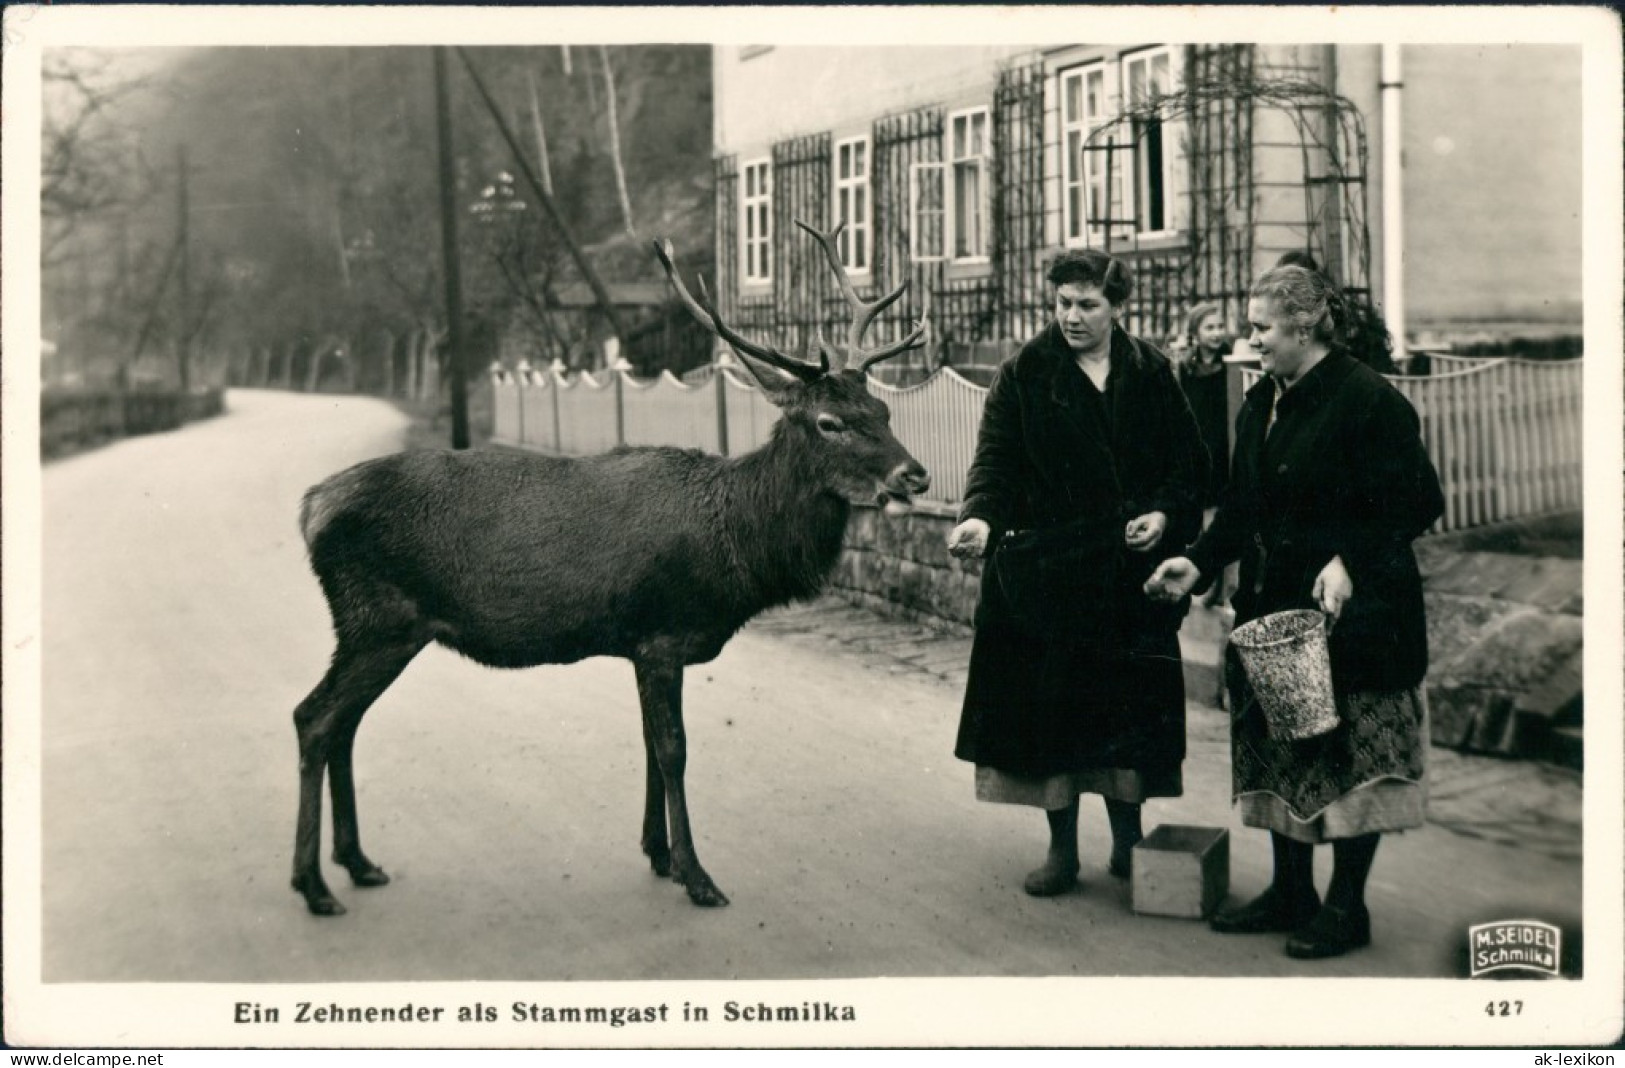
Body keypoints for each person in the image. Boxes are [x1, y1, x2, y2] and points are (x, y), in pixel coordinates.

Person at [1146, 264, 1444, 959]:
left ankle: (1346, 908)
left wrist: (1349, 561)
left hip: (1359, 621)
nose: (1250, 342)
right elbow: (1244, 504)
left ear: (1303, 327)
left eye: (1260, 329)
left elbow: (1416, 501)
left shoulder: (1368, 401)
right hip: (1278, 613)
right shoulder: (1261, 402)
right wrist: (1197, 561)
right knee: (1284, 752)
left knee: (1349, 761)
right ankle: (1290, 891)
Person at [947, 249, 1208, 897]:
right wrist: (979, 520)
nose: (1071, 316)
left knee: (1124, 717)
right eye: (1062, 302)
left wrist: (1162, 514)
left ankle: (1126, 842)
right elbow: (994, 464)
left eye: (1086, 304)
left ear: (1116, 307)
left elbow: (1192, 468)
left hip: (1128, 579)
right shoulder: (1024, 374)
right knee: (1053, 716)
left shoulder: (1151, 372)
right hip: (1049, 575)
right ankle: (1061, 850)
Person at [1173, 301, 1233, 512]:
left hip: (1223, 436)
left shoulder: (1230, 361)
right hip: (1199, 435)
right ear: (1195, 333)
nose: (1217, 333)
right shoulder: (1187, 366)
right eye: (1209, 328)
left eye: (1220, 326)